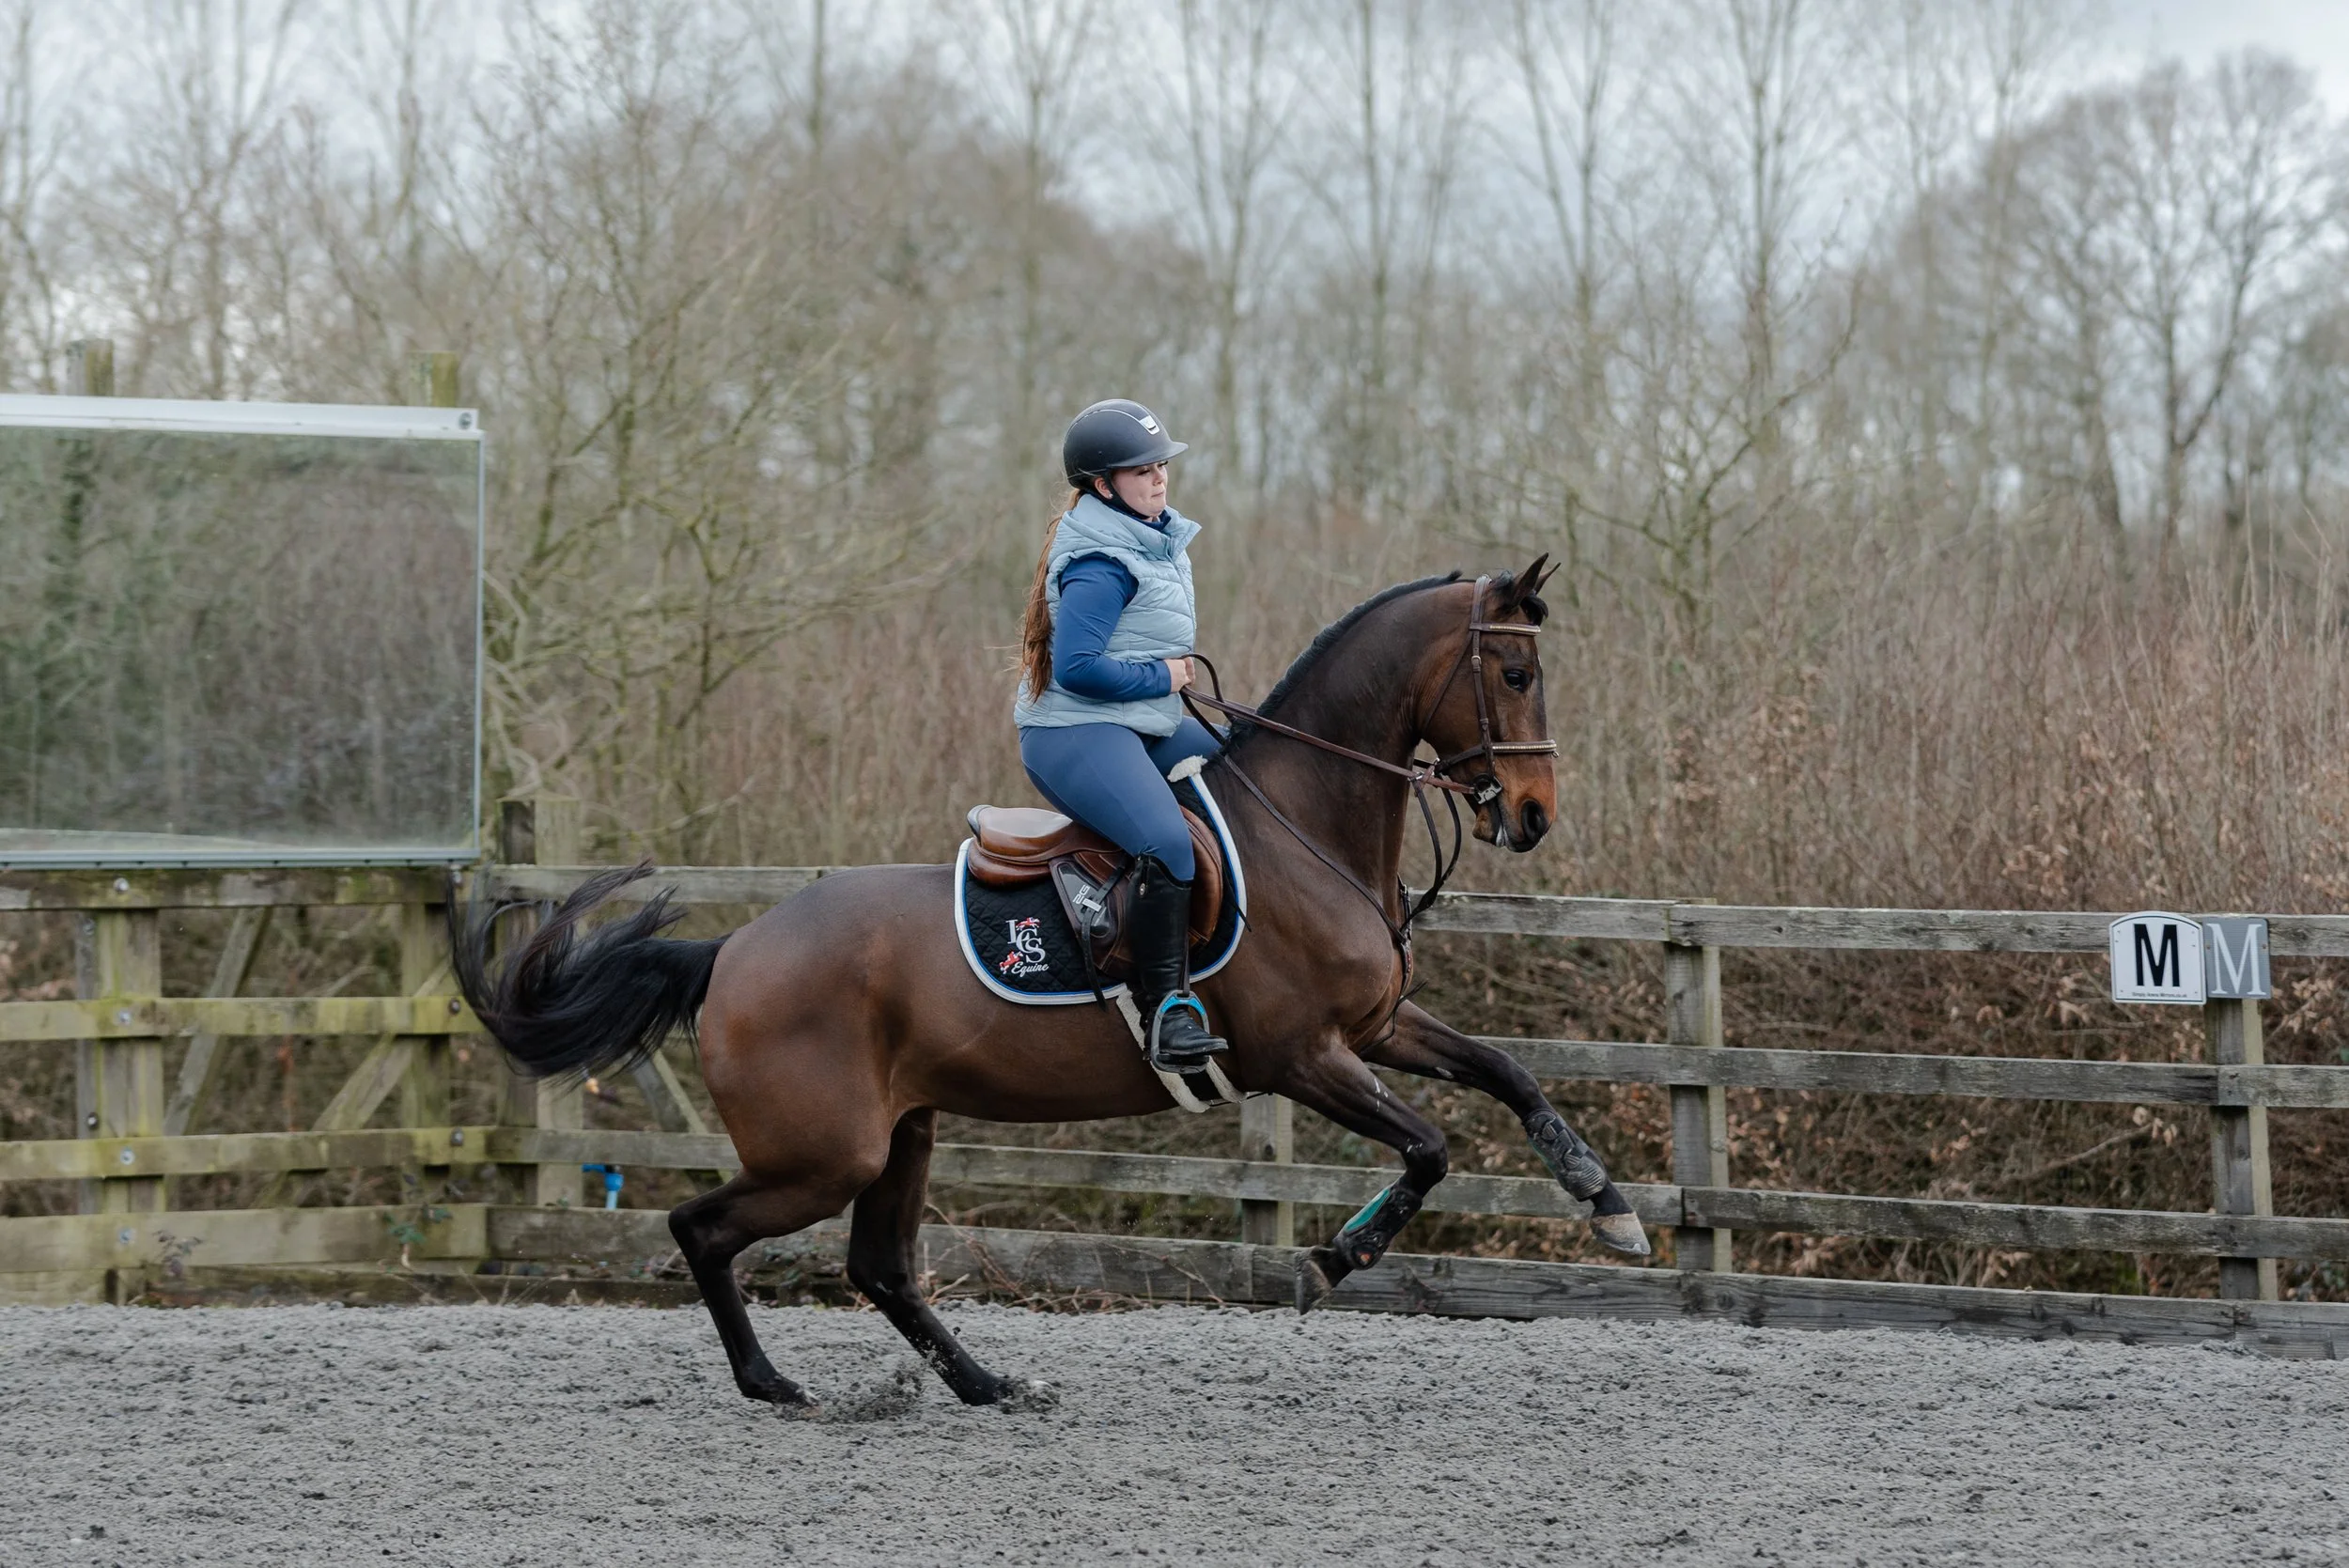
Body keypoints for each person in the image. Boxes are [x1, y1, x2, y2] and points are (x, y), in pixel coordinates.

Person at [1014, 398, 1227, 1072]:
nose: (1159, 477)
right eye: (1141, 470)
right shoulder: (1102, 559)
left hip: (1138, 724)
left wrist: (1162, 685)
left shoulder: (1153, 534)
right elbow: (1077, 669)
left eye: (1161, 464)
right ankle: (1166, 1010)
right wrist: (1163, 675)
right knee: (1164, 841)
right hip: (1073, 731)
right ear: (1103, 485)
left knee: (1241, 781)